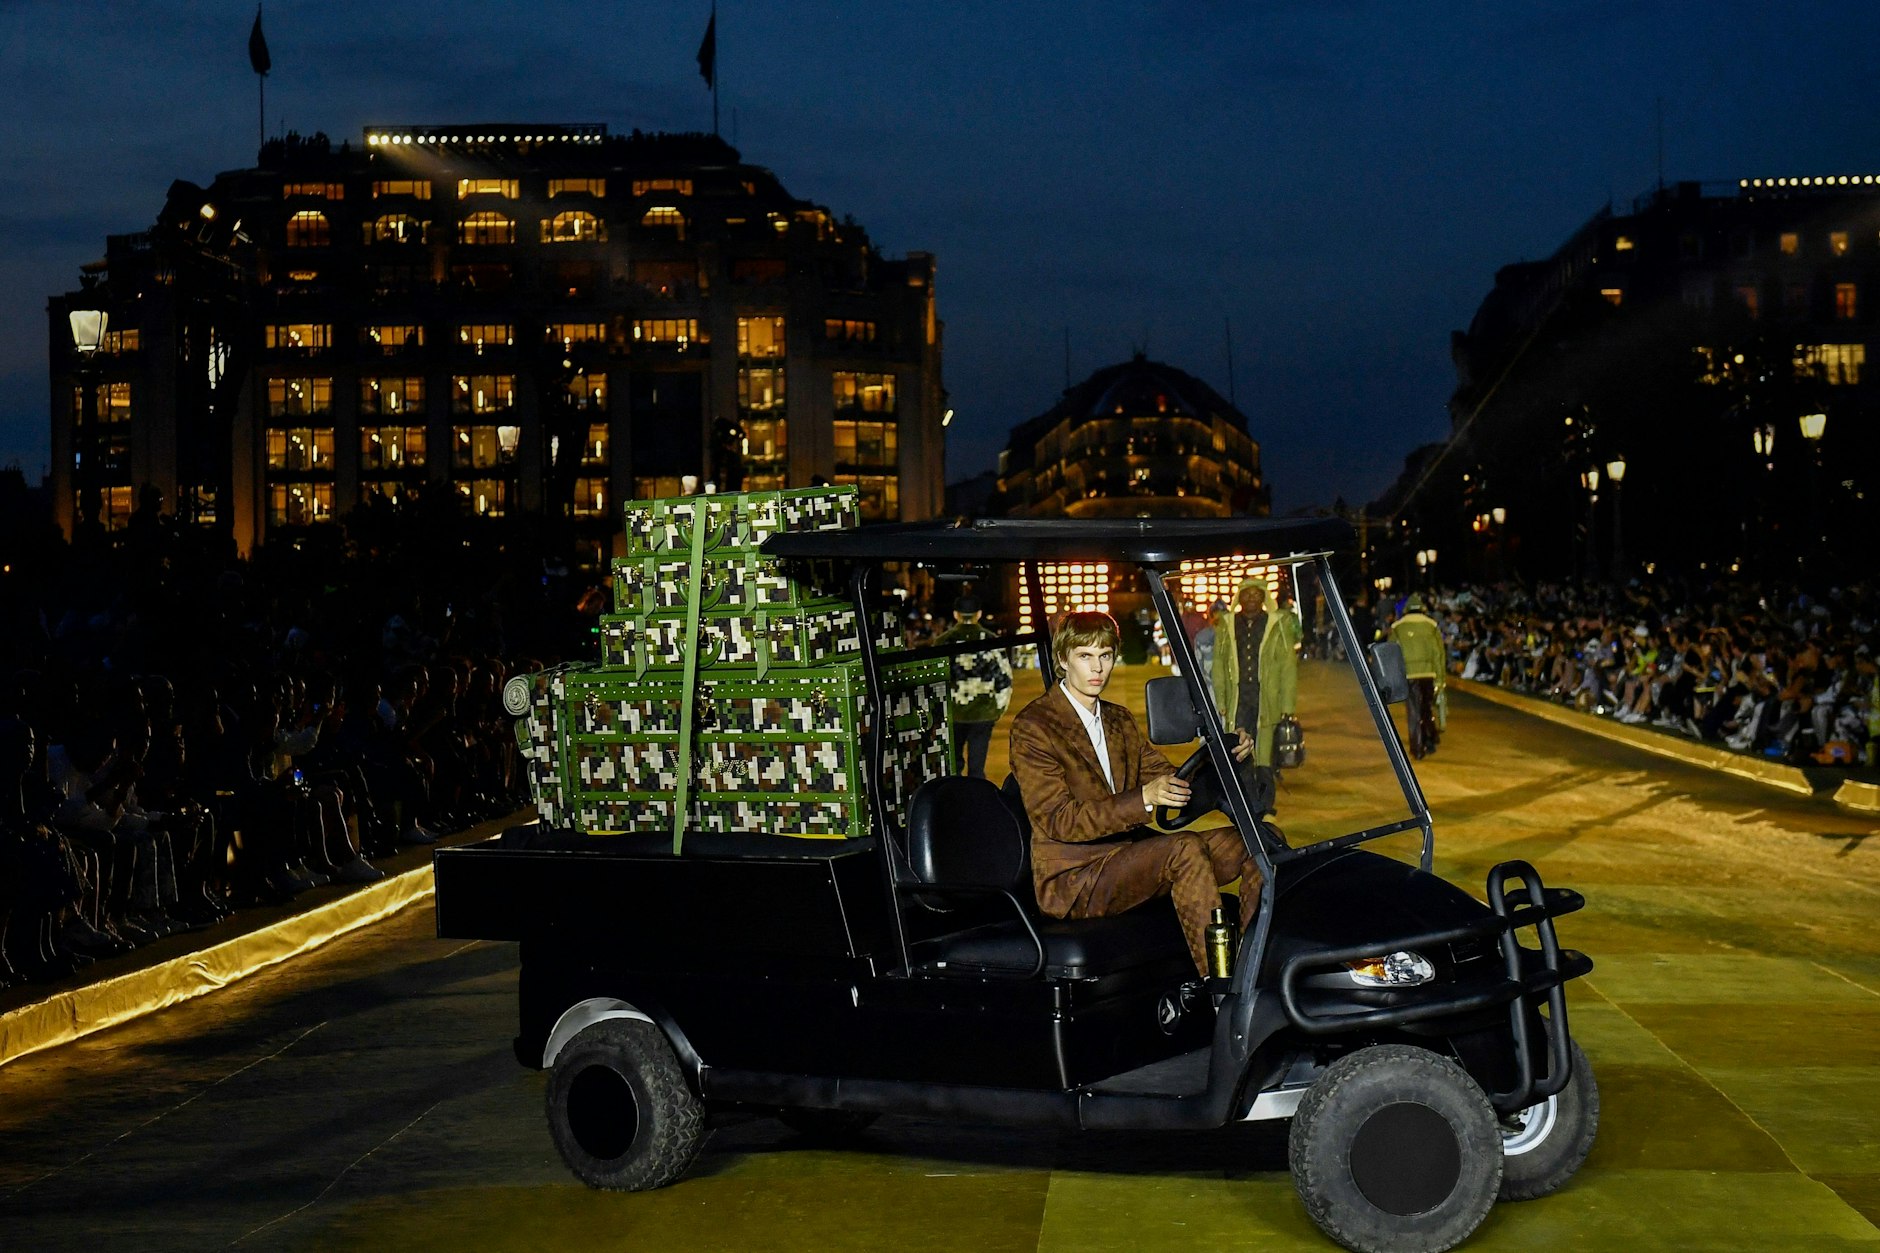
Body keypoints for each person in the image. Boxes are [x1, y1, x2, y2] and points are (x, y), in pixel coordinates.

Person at [1009, 611, 1261, 977]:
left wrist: (1228, 756)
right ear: (1063, 659)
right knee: (1184, 849)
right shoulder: (1034, 727)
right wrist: (1143, 798)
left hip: (1124, 859)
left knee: (1256, 841)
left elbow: (1170, 781)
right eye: (1085, 656)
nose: (1097, 668)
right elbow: (1058, 820)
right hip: (1076, 877)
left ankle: (1252, 969)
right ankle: (1222, 988)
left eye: (1105, 656)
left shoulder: (1118, 720)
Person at [1209, 577, 1300, 767]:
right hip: (1238, 698)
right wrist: (1221, 699)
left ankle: (1264, 778)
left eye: (1256, 594)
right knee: (1238, 746)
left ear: (1264, 597)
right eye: (1247, 594)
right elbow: (1218, 664)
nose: (1251, 598)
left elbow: (1288, 666)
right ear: (1239, 598)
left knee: (1265, 751)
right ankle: (1243, 780)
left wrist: (1287, 706)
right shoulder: (1226, 625)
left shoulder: (1278, 625)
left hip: (1267, 697)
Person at [934, 595, 1012, 779]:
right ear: (979, 614)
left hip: (952, 712)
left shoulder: (942, 642)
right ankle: (977, 796)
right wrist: (998, 709)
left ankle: (955, 796)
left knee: (953, 768)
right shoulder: (991, 640)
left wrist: (937, 711)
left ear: (956, 614)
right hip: (983, 712)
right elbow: (1004, 678)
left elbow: (933, 680)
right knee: (977, 768)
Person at [1390, 594, 1447, 759]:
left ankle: (1417, 748)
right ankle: (1430, 737)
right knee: (1426, 707)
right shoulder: (1431, 625)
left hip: (1409, 675)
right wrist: (1440, 679)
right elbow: (1439, 654)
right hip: (1428, 674)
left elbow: (1391, 653)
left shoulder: (1397, 627)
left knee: (1414, 712)